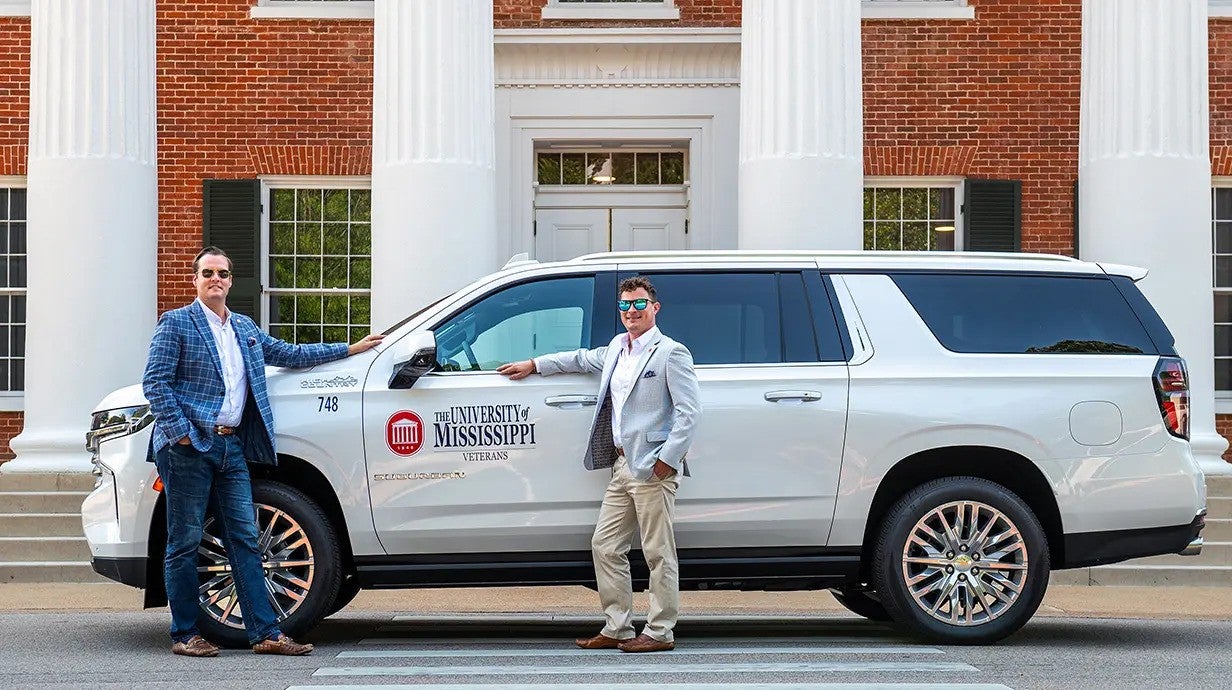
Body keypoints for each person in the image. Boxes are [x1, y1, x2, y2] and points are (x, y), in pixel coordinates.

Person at [142, 246, 383, 657]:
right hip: (188, 449)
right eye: (207, 273)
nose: (215, 279)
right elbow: (155, 383)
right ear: (195, 280)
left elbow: (291, 353)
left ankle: (266, 634)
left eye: (222, 273)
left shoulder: (245, 329)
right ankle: (185, 634)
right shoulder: (176, 323)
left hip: (230, 446)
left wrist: (350, 349)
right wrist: (181, 433)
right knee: (184, 541)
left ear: (231, 281)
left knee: (245, 537)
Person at [497, 276, 700, 653]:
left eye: (639, 304)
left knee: (658, 552)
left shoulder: (671, 352)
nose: (631, 312)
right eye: (625, 306)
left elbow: (689, 413)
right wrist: (533, 363)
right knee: (605, 545)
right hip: (621, 467)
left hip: (652, 467)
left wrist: (667, 461)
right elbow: (577, 358)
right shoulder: (615, 349)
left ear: (654, 308)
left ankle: (660, 632)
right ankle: (619, 626)